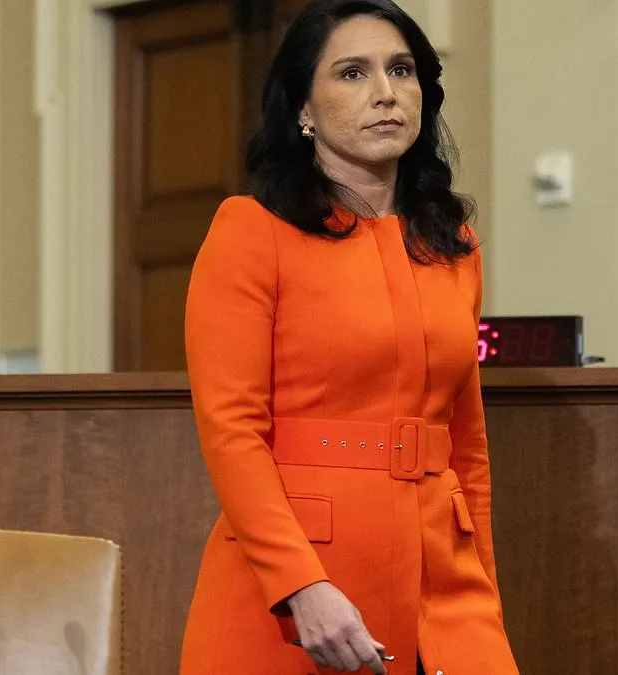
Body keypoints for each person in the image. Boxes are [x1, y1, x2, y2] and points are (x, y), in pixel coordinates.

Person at [178, 1, 520, 673]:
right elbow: (232, 430)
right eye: (353, 73)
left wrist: (484, 588)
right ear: (303, 108)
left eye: (401, 69)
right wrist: (299, 585)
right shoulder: (251, 231)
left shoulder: (454, 244)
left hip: (445, 584)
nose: (386, 92)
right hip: (299, 587)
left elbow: (467, 445)